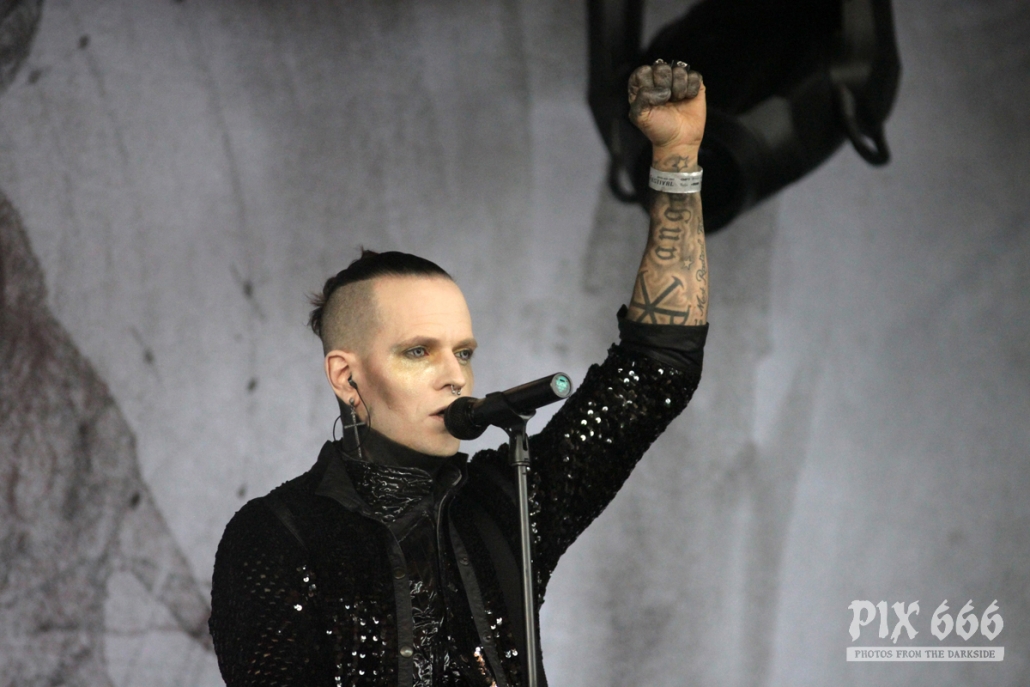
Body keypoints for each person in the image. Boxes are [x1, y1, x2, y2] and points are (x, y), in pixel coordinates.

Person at [209, 60, 710, 687]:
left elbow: (656, 371)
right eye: (418, 352)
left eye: (464, 352)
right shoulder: (275, 534)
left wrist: (677, 158)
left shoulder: (506, 502)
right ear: (346, 377)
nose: (455, 377)